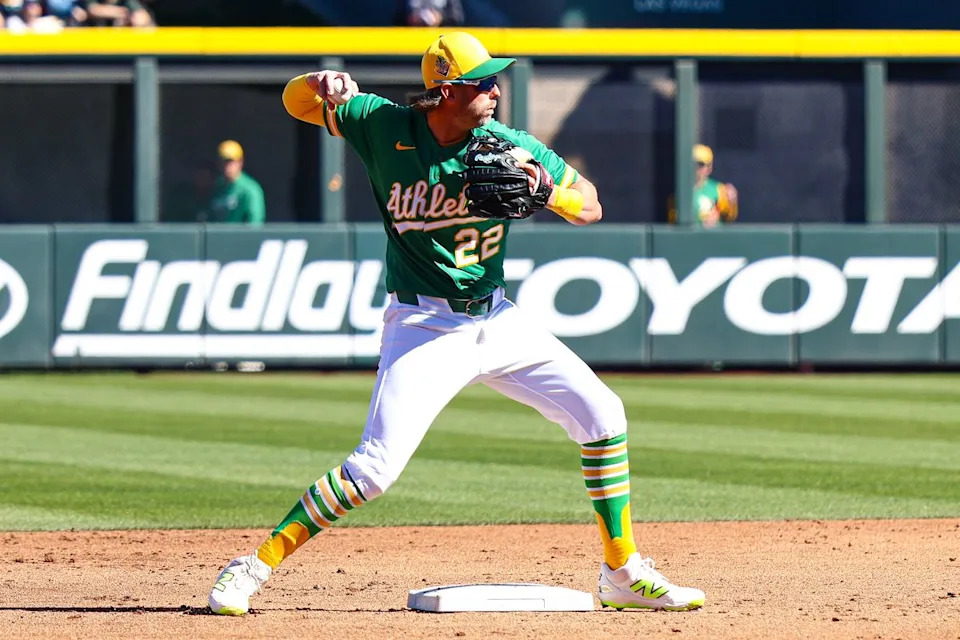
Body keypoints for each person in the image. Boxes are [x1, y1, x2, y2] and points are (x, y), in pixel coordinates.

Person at [207, 31, 705, 616]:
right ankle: (253, 565)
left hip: (496, 318)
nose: (496, 91)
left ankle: (621, 572)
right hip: (423, 323)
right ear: (446, 91)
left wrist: (547, 190)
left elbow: (590, 204)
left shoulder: (508, 146)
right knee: (374, 470)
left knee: (604, 415)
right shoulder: (380, 124)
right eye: (483, 82)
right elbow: (297, 103)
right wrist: (317, 83)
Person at [669, 144, 738, 227]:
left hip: (712, 235)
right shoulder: (679, 191)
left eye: (700, 164)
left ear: (709, 168)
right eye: (693, 163)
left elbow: (729, 217)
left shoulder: (718, 189)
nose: (695, 168)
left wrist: (732, 202)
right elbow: (672, 224)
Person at [207, 140, 266, 225]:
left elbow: (255, 222)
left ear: (240, 162)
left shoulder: (250, 189)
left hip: (240, 233)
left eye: (230, 161)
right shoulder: (217, 187)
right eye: (223, 161)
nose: (226, 166)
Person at [394, 0, 464, 26]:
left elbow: (457, 16)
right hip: (412, 38)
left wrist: (441, 18)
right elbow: (397, 17)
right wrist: (411, 19)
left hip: (441, 39)